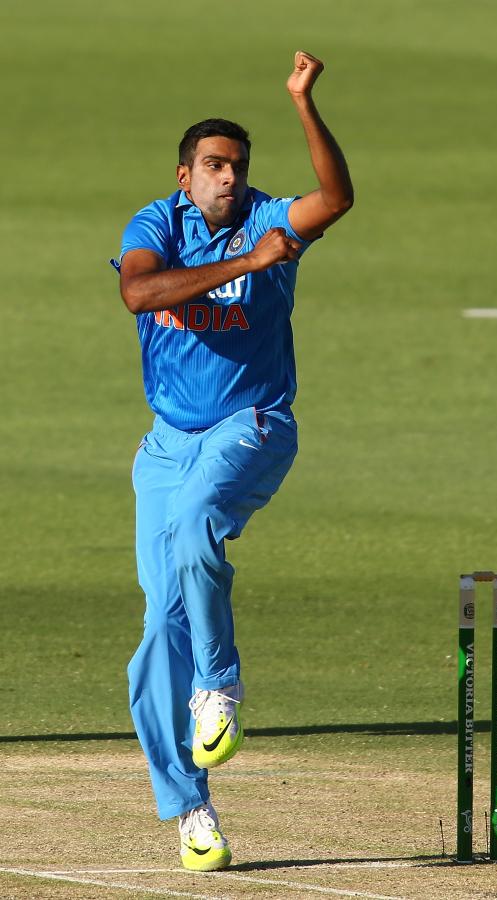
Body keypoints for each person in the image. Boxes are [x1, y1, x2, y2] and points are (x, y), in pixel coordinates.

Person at [114, 50, 353, 872]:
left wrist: (302, 103)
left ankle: (219, 686)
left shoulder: (272, 219)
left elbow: (338, 199)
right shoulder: (153, 225)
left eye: (237, 168)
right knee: (154, 641)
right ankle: (191, 812)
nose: (228, 180)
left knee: (193, 530)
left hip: (251, 425)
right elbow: (140, 294)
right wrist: (248, 266)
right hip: (166, 444)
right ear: (186, 176)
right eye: (213, 167)